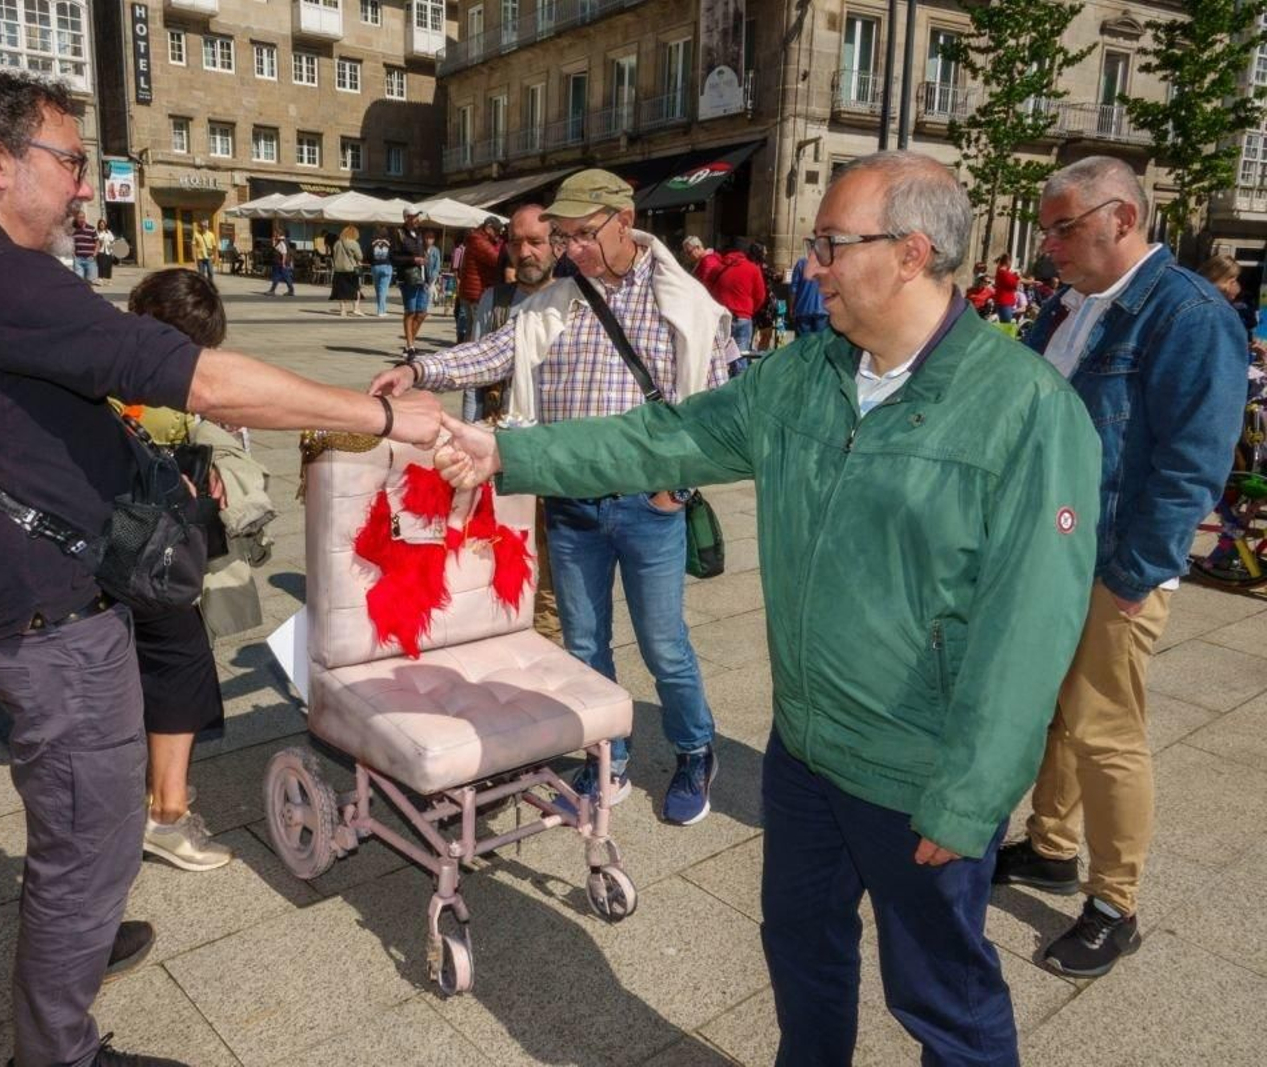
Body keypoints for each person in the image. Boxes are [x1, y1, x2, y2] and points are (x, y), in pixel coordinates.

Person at [432, 151, 1101, 1065]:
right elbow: (663, 435)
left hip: (919, 775)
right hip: (806, 754)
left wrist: (972, 797)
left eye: (831, 244)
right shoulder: (807, 375)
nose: (810, 264)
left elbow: (1032, 631)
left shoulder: (1027, 410)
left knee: (942, 995)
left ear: (910, 253)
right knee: (800, 949)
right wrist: (509, 453)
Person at [0, 70, 441, 1067]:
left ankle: (76, 948)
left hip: (34, 599)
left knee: (80, 827)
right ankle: (58, 1047)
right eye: (69, 160)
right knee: (89, 840)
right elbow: (205, 377)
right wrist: (384, 415)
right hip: (49, 615)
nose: (84, 185)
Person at [373, 169, 731, 826]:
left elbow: (713, 409)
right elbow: (491, 354)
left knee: (664, 643)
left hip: (645, 508)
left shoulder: (685, 303)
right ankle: (608, 755)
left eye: (580, 235)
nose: (569, 249)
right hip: (571, 507)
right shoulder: (556, 302)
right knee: (585, 644)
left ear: (623, 219)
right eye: (562, 236)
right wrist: (419, 369)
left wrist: (671, 490)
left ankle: (694, 748)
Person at [994, 156, 1248, 978]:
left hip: (1114, 561)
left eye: (1065, 226)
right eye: (1049, 227)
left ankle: (1115, 902)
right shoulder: (1072, 304)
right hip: (1053, 551)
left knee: (1106, 731)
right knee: (1053, 714)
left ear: (1123, 218)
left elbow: (1191, 464)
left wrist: (1133, 573)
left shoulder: (1187, 313)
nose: (1050, 244)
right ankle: (1051, 845)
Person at [372, 203, 564, 643]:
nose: (525, 252)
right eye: (516, 242)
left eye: (535, 241)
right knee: (500, 555)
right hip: (499, 450)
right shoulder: (497, 300)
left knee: (551, 573)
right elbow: (476, 364)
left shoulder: (573, 301)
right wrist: (466, 431)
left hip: (552, 454)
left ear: (556, 244)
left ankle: (550, 649)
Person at [122, 269, 240, 875]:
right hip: (139, 537)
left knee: (139, 659)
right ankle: (166, 817)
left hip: (96, 540)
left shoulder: (103, 348)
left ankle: (149, 792)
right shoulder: (148, 376)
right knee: (181, 660)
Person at [709, 236, 765, 353]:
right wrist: (749, 310)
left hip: (721, 317)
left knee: (720, 357)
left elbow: (709, 293)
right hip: (742, 317)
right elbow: (760, 296)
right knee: (741, 356)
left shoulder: (716, 269)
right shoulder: (753, 269)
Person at [454, 216, 503, 345]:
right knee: (478, 328)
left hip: (472, 290)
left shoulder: (477, 238)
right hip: (475, 292)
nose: (498, 235)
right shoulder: (479, 241)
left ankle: (464, 356)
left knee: (471, 327)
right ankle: (468, 357)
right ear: (488, 228)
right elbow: (496, 259)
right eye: (496, 231)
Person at [395, 208, 430, 359]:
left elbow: (421, 252)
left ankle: (410, 345)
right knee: (410, 312)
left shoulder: (419, 233)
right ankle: (410, 346)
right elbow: (394, 257)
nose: (418, 219)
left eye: (418, 216)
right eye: (416, 216)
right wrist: (413, 260)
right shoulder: (399, 233)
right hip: (408, 277)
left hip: (421, 277)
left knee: (422, 313)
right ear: (407, 218)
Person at [789, 253, 828, 335]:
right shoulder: (826, 263)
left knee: (804, 344)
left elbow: (794, 288)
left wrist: (792, 307)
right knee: (819, 343)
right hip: (822, 310)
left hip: (802, 309)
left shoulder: (801, 263)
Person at [330, 224, 364, 316]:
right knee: (356, 289)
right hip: (351, 269)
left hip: (338, 270)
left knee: (341, 291)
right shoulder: (353, 243)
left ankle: (342, 310)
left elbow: (333, 255)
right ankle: (356, 308)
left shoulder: (337, 243)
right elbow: (360, 257)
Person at [369, 227, 393, 317]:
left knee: (378, 289)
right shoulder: (389, 243)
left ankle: (383, 309)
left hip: (375, 267)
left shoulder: (373, 243)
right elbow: (393, 254)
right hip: (386, 266)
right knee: (383, 289)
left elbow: (367, 255)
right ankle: (381, 310)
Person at [265, 229, 295, 295]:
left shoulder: (281, 242)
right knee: (286, 277)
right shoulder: (279, 241)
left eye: (275, 233)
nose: (274, 235)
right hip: (280, 262)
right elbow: (275, 248)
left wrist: (283, 263)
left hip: (280, 262)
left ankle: (272, 291)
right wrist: (273, 241)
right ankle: (291, 290)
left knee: (277, 276)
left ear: (278, 234)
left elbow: (284, 253)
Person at [993, 253, 1021, 323]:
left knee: (1005, 324)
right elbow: (1014, 285)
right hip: (1005, 303)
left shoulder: (1001, 271)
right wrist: (1018, 278)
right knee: (1006, 325)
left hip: (1003, 302)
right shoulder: (1004, 273)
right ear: (1008, 262)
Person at [70, 209, 95, 282]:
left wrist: (94, 254)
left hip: (89, 258)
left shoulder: (92, 229)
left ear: (85, 218)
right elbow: (72, 243)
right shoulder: (74, 230)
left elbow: (97, 242)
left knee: (89, 280)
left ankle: (87, 292)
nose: (81, 219)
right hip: (78, 259)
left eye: (82, 217)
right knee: (79, 279)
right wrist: (73, 254)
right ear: (77, 219)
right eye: (79, 218)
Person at [94, 218, 117, 285]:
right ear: (99, 225)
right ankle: (100, 280)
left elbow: (112, 241)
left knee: (108, 266)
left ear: (105, 225)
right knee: (100, 265)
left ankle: (108, 280)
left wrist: (113, 251)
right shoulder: (97, 232)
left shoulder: (108, 232)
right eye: (100, 224)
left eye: (103, 224)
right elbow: (97, 240)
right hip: (100, 251)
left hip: (108, 251)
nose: (102, 225)